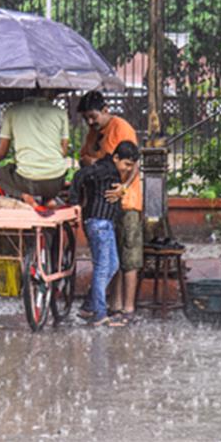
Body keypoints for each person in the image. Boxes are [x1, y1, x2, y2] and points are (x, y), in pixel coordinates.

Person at [77, 91, 143, 324]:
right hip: (103, 205)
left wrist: (123, 187)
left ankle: (128, 308)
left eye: (93, 116)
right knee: (109, 259)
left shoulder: (122, 128)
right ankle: (111, 306)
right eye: (86, 119)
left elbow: (134, 164)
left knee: (128, 255)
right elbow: (84, 156)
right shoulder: (94, 132)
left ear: (105, 109)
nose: (90, 122)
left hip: (126, 202)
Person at [69, 142, 138, 326]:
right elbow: (79, 175)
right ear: (116, 158)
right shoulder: (104, 169)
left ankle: (88, 307)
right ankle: (99, 314)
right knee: (102, 269)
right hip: (98, 223)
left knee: (113, 265)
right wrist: (74, 202)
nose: (128, 169)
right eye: (127, 164)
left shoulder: (111, 169)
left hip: (105, 224)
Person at [0, 91, 69, 206]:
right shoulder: (60, 112)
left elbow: (1, 153)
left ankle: (25, 196)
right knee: (49, 173)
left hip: (28, 183)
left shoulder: (13, 111)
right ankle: (49, 199)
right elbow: (63, 152)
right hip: (56, 182)